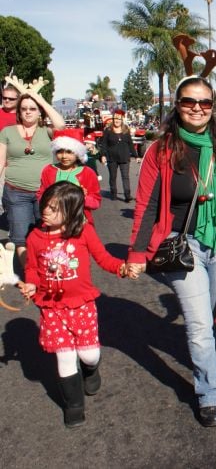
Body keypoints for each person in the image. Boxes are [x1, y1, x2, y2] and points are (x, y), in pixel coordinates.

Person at [126, 76, 216, 428]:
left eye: (205, 103)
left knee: (213, 313)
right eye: (188, 102)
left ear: (213, 108)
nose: (197, 108)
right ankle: (210, 394)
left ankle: (212, 351)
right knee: (199, 325)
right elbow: (147, 205)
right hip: (182, 247)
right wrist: (137, 253)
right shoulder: (162, 150)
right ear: (177, 105)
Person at [18, 181, 128, 427]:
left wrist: (121, 267)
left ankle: (91, 369)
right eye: (45, 205)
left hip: (82, 305)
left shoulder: (83, 232)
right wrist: (32, 285)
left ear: (71, 211)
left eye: (54, 208)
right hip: (51, 308)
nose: (45, 211)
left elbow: (103, 258)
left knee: (88, 354)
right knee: (65, 357)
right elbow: (32, 268)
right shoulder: (35, 237)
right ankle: (74, 405)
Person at [0, 92, 64, 268]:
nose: (28, 112)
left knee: (48, 234)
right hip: (15, 192)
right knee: (20, 237)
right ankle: (32, 275)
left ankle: (46, 269)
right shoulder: (7, 132)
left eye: (32, 108)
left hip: (46, 193)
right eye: (24, 109)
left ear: (39, 112)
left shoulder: (47, 132)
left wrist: (41, 100)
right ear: (19, 112)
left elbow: (61, 124)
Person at [37, 128, 101, 225]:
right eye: (60, 152)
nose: (64, 156)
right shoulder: (49, 170)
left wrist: (82, 197)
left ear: (77, 153)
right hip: (53, 222)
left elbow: (96, 202)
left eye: (69, 152)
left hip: (80, 223)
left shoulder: (87, 173)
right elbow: (41, 195)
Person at [100, 109, 135, 202]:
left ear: (122, 120)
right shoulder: (108, 130)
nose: (117, 121)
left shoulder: (126, 130)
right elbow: (104, 144)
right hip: (112, 158)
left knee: (125, 177)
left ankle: (127, 195)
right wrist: (103, 155)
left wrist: (136, 156)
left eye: (119, 119)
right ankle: (113, 193)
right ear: (113, 119)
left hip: (124, 157)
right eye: (115, 118)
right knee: (113, 176)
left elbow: (130, 144)